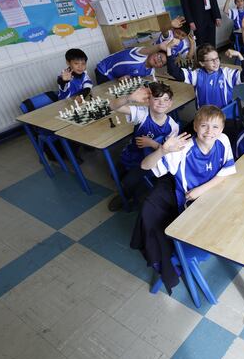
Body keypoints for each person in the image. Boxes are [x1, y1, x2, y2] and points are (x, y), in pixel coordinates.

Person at [132, 105, 236, 292]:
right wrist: (163, 150)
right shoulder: (183, 149)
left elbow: (225, 173)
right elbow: (145, 166)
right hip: (190, 206)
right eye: (204, 126)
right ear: (195, 126)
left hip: (209, 195)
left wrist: (201, 190)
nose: (210, 132)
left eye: (215, 127)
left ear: (221, 129)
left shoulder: (223, 140)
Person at [107, 82, 178, 212]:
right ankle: (130, 190)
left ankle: (130, 198)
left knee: (129, 182)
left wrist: (152, 143)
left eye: (165, 100)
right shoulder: (142, 113)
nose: (161, 103)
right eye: (156, 99)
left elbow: (169, 152)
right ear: (148, 101)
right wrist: (129, 98)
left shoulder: (173, 126)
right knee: (114, 175)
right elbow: (112, 106)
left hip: (151, 161)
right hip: (131, 154)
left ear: (170, 103)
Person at [166, 45, 244, 109]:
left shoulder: (226, 73)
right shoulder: (197, 75)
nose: (216, 62)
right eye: (211, 60)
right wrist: (169, 49)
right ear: (202, 63)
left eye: (217, 58)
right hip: (204, 116)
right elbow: (174, 71)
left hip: (224, 115)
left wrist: (239, 55)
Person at [94, 42, 176, 83]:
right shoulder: (141, 53)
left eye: (161, 62)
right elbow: (156, 47)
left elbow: (135, 75)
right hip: (104, 70)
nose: (158, 60)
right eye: (159, 56)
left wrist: (129, 76)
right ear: (155, 52)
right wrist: (161, 47)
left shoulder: (149, 72)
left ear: (160, 67)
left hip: (116, 77)